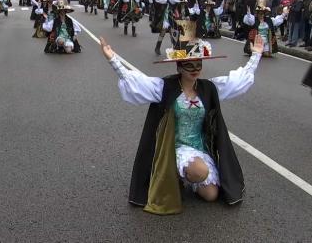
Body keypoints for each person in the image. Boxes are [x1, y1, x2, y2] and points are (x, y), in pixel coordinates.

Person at [98, 33, 265, 214]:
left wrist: (256, 55)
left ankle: (183, 177)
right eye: (189, 65)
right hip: (173, 149)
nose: (195, 69)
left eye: (198, 64)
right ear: (179, 67)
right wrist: (112, 60)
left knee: (211, 195)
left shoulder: (208, 88)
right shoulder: (165, 87)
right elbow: (136, 82)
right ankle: (174, 174)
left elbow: (237, 81)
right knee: (199, 171)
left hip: (199, 148)